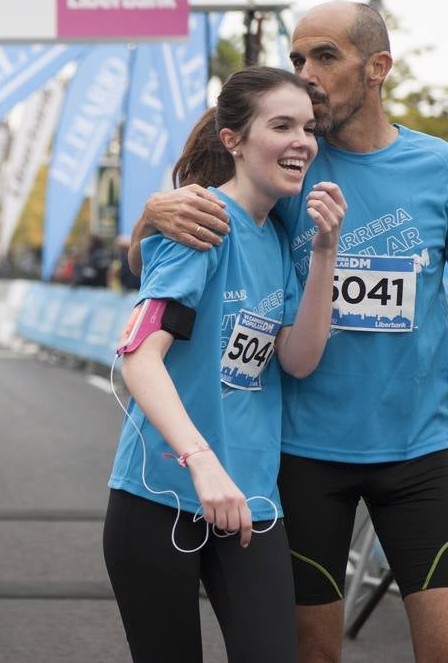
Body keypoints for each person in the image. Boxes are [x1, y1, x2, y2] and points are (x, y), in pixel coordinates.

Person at [129, 2, 448, 663]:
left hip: (418, 454)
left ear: (377, 68)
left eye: (324, 57)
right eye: (297, 58)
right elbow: (169, 250)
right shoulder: (286, 162)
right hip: (304, 458)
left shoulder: (442, 170)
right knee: (314, 656)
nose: (306, 73)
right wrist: (152, 212)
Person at [105, 67, 347, 662]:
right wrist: (201, 462)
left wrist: (324, 252)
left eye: (309, 129)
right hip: (160, 496)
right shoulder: (200, 223)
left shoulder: (275, 236)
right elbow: (139, 356)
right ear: (233, 139)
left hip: (252, 502)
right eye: (282, 125)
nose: (302, 142)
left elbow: (297, 358)